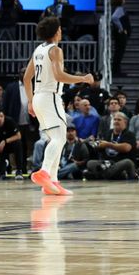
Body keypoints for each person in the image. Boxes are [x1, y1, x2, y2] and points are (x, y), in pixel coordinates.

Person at [25, 16, 94, 195]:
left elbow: (26, 78)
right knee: (59, 138)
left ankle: (53, 183)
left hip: (39, 97)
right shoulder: (55, 50)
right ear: (57, 31)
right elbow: (59, 76)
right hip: (50, 96)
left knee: (56, 138)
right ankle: (45, 172)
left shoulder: (38, 49)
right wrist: (83, 78)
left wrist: (31, 101)